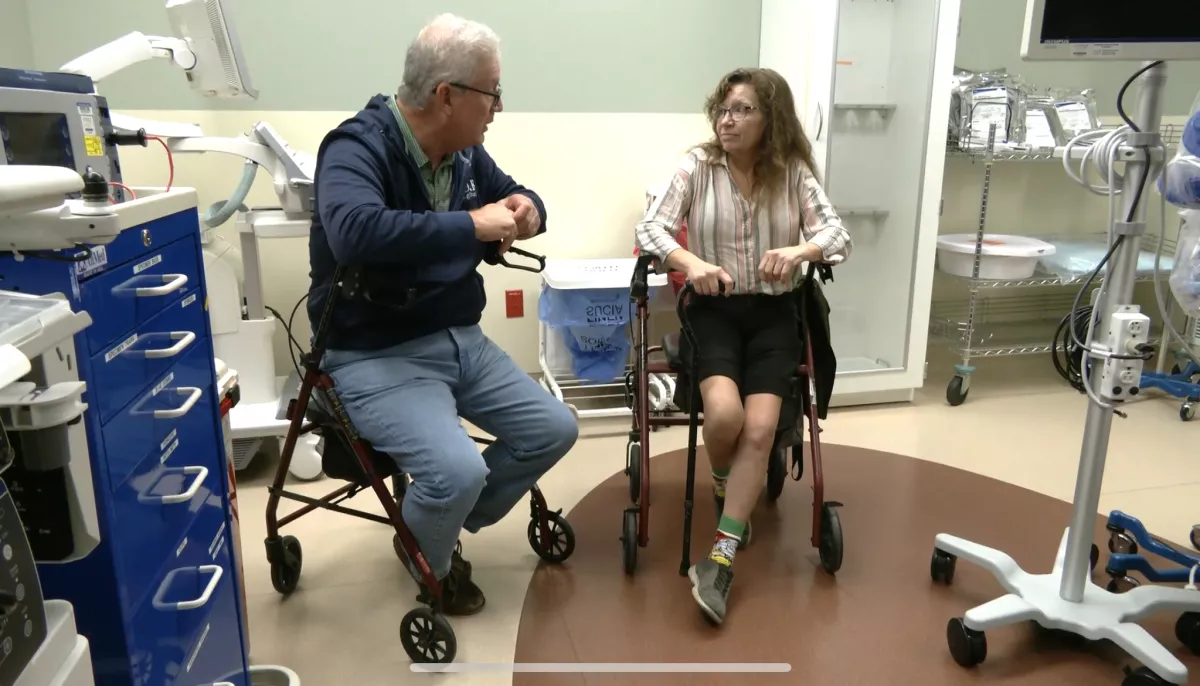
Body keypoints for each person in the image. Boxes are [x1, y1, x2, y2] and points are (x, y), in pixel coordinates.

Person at [306, 14, 579, 616]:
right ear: (447, 95)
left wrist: (526, 208)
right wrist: (471, 224)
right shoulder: (356, 146)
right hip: (374, 352)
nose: (499, 108)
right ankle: (430, 547)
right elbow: (354, 232)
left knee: (555, 429)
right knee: (457, 472)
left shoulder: (466, 155)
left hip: (459, 340)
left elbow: (521, 195)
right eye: (493, 93)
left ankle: (429, 522)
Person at [634, 67, 852, 625]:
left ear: (769, 118)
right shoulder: (697, 166)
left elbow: (837, 235)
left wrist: (801, 253)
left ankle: (720, 559)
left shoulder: (793, 172)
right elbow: (651, 230)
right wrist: (692, 262)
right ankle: (726, 481)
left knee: (761, 429)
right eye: (723, 109)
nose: (727, 120)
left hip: (777, 314)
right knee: (726, 415)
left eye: (743, 110)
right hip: (714, 310)